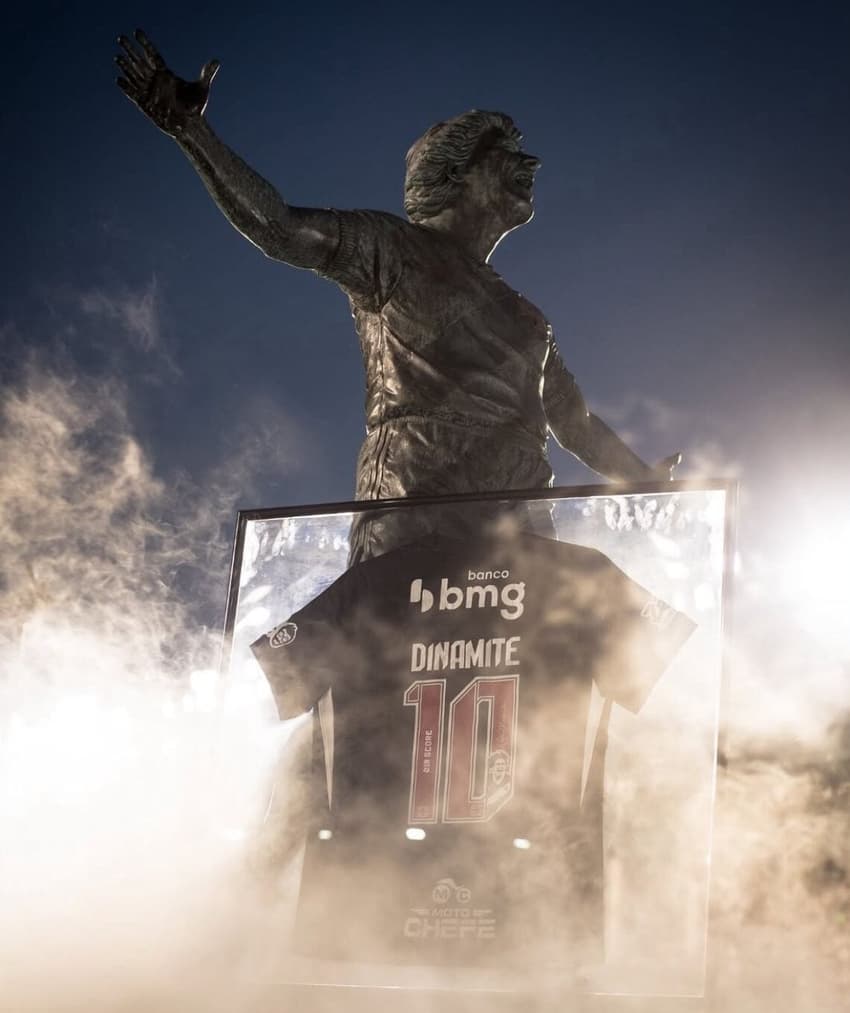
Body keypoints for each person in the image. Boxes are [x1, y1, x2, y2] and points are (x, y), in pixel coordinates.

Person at [115, 31, 681, 562]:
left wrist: (645, 481)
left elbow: (574, 422)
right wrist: (192, 131)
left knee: (569, 650)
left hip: (519, 527)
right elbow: (279, 228)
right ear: (457, 174)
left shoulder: (527, 320)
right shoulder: (391, 248)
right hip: (416, 514)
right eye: (505, 153)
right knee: (396, 662)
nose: (529, 164)